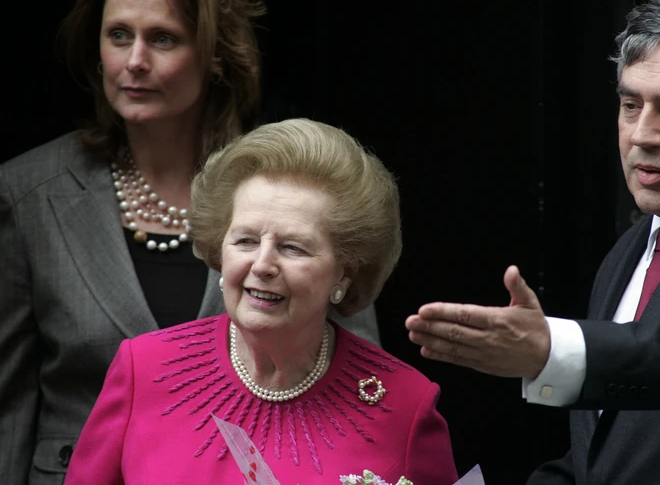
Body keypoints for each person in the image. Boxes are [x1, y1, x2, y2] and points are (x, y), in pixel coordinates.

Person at [0, 0, 380, 483]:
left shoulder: (289, 184)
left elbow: (361, 377)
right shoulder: (28, 192)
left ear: (215, 55)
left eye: (163, 39)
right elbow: (9, 408)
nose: (135, 60)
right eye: (118, 35)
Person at [406, 0, 660, 484]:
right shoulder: (632, 250)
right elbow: (602, 461)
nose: (642, 134)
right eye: (631, 105)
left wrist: (554, 348)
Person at [63, 118, 458, 484]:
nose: (263, 265)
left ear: (344, 272)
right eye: (246, 241)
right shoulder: (144, 368)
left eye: (293, 247)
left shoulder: (406, 404)